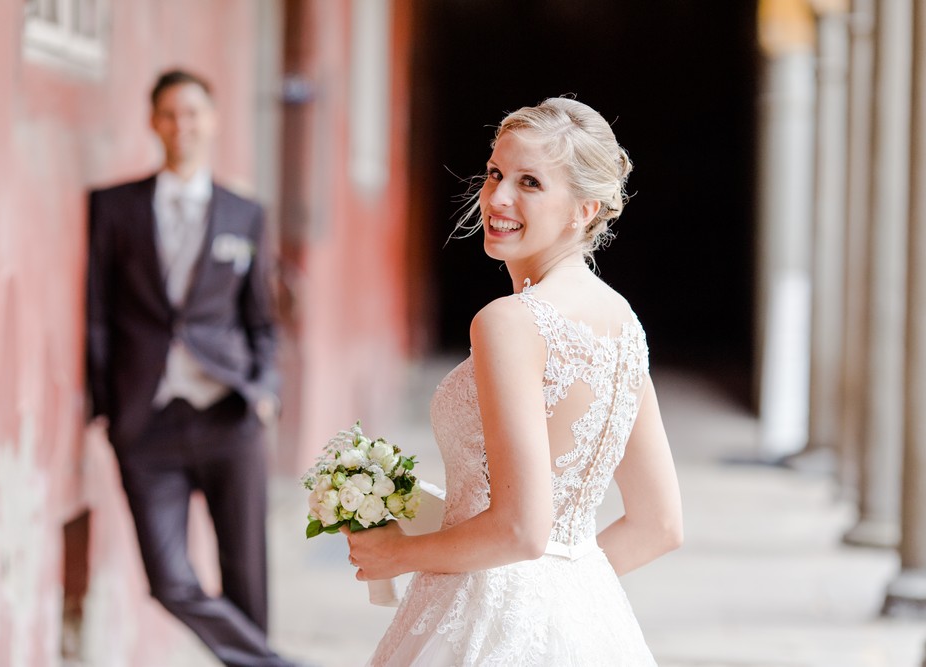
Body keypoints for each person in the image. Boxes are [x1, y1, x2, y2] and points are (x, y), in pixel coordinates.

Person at [343, 97, 683, 666]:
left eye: (530, 183)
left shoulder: (509, 321)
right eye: (496, 173)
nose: (497, 198)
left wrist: (400, 555)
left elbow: (522, 529)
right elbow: (659, 525)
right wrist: (554, 600)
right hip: (588, 631)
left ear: (584, 208)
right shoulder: (624, 324)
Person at [86, 69, 300, 667]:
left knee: (246, 573)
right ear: (154, 123)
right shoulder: (113, 207)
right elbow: (97, 313)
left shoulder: (244, 214)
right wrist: (107, 405)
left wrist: (264, 392)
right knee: (169, 579)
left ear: (212, 121)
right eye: (170, 114)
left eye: (194, 113)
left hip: (229, 414)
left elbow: (261, 320)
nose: (183, 125)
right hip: (145, 422)